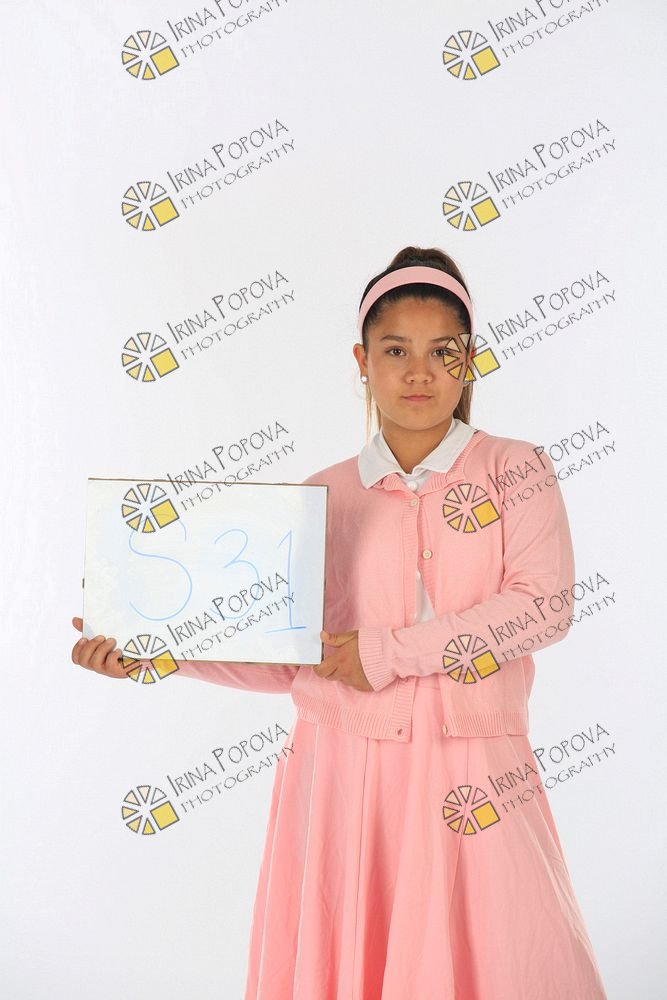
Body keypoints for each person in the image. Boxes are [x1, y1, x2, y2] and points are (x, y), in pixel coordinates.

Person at [71, 246, 608, 999]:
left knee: (503, 958)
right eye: (395, 350)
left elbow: (542, 606)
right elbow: (290, 652)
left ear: (469, 360)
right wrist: (159, 651)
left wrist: (387, 652)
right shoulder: (322, 495)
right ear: (362, 361)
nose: (418, 373)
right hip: (343, 772)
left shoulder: (514, 469)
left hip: (474, 766)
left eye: (442, 351)